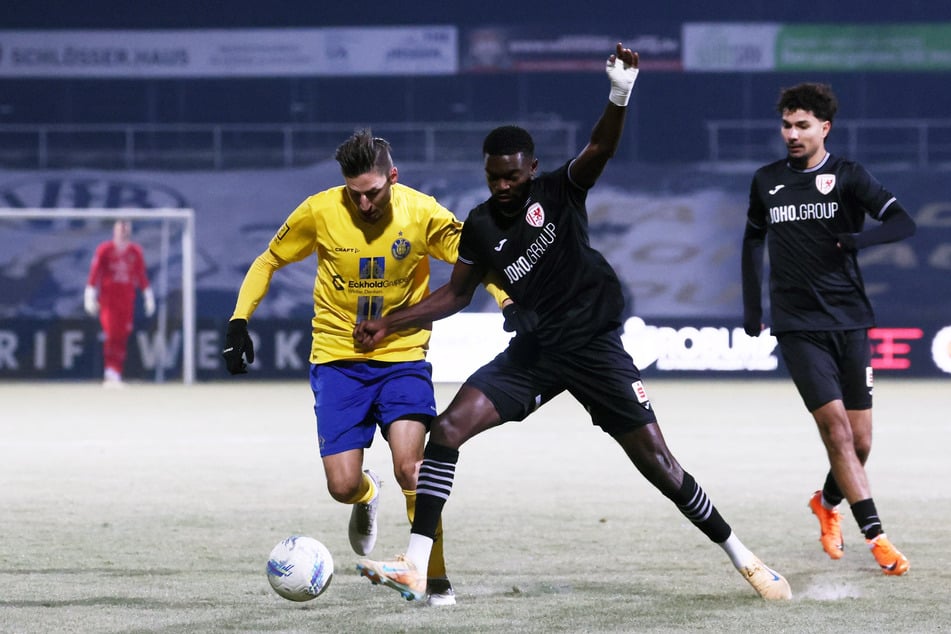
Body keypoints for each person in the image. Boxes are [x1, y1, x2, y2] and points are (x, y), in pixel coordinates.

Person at [352, 43, 792, 602]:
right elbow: (457, 295)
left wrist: (620, 92)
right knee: (446, 431)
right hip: (536, 355)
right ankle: (416, 565)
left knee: (659, 464)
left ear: (530, 169)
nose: (503, 187)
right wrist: (391, 323)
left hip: (595, 349)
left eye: (512, 177)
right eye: (494, 178)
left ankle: (744, 558)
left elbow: (601, 145)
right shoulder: (481, 226)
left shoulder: (559, 191)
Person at [221, 129, 510, 607]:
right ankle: (366, 495)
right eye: (355, 194)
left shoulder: (423, 213)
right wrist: (238, 320)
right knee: (342, 485)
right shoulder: (319, 211)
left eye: (374, 192)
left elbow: (475, 260)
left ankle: (434, 580)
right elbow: (269, 258)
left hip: (401, 359)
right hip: (337, 360)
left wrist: (508, 299)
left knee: (413, 469)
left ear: (393, 178)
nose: (365, 204)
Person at [741, 83, 915, 575]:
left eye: (802, 126)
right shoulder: (766, 181)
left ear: (824, 128)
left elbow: (903, 224)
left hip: (851, 319)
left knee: (860, 444)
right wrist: (754, 308)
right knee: (836, 432)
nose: (791, 134)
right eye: (786, 125)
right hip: (797, 326)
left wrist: (859, 238)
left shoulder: (849, 176)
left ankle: (826, 502)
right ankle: (877, 536)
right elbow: (752, 243)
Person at [84, 219, 155, 386]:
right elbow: (95, 273)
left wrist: (148, 295)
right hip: (109, 301)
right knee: (111, 334)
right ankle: (110, 373)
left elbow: (141, 275)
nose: (123, 232)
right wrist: (89, 295)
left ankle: (115, 373)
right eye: (120, 229)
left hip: (127, 301)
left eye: (126, 229)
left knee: (122, 337)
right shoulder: (105, 250)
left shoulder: (135, 252)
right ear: (115, 231)